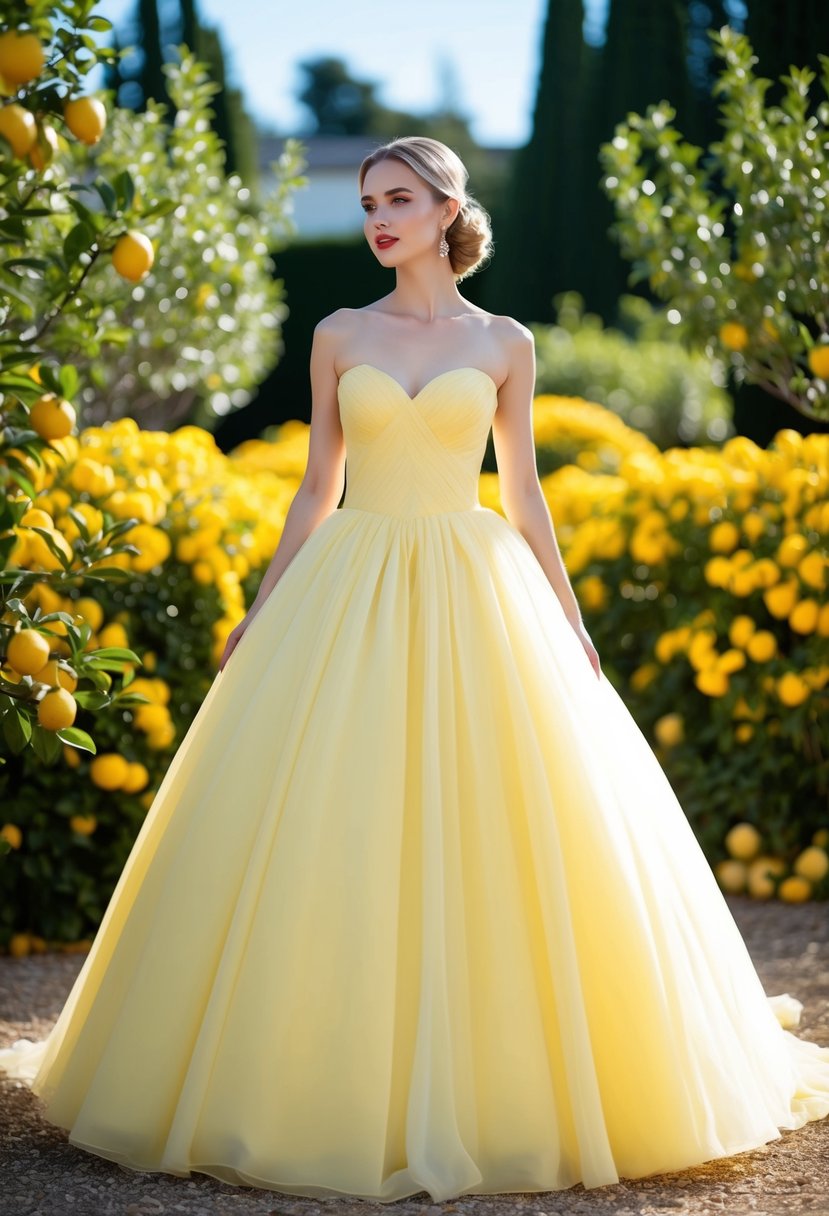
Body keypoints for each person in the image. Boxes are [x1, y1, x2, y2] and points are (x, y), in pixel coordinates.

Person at [1, 135, 828, 1203]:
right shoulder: (338, 332)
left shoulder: (506, 342)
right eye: (367, 202)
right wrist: (262, 609)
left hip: (476, 582)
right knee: (334, 816)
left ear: (446, 211)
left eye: (398, 199)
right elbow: (314, 488)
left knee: (501, 820)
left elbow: (523, 494)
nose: (378, 219)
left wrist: (570, 625)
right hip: (350, 581)